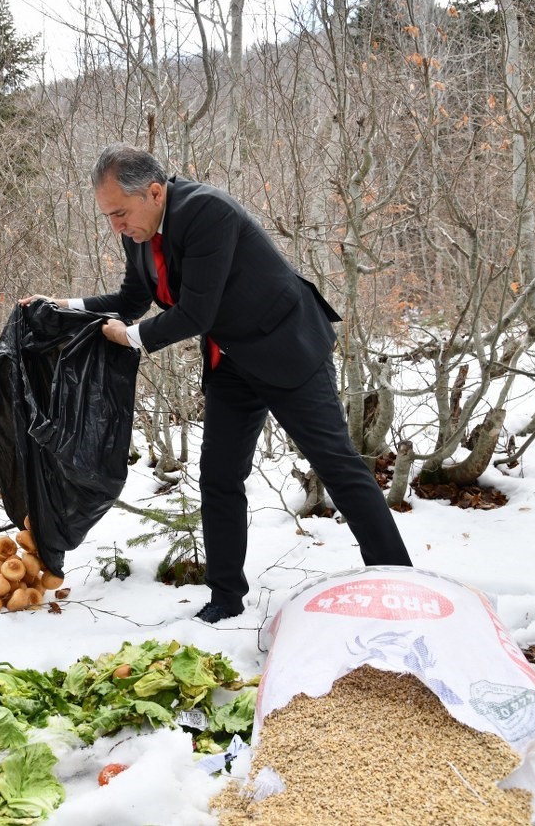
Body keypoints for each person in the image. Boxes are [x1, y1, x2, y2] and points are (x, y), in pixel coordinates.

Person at [21, 143, 413, 623]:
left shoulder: (208, 211)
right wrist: (66, 306)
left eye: (120, 213)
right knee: (220, 478)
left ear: (155, 191)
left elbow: (195, 312)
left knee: (337, 466)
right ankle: (225, 599)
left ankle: (401, 583)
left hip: (286, 345)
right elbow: (131, 298)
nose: (116, 226)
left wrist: (133, 339)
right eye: (108, 217)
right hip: (229, 359)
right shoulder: (137, 230)